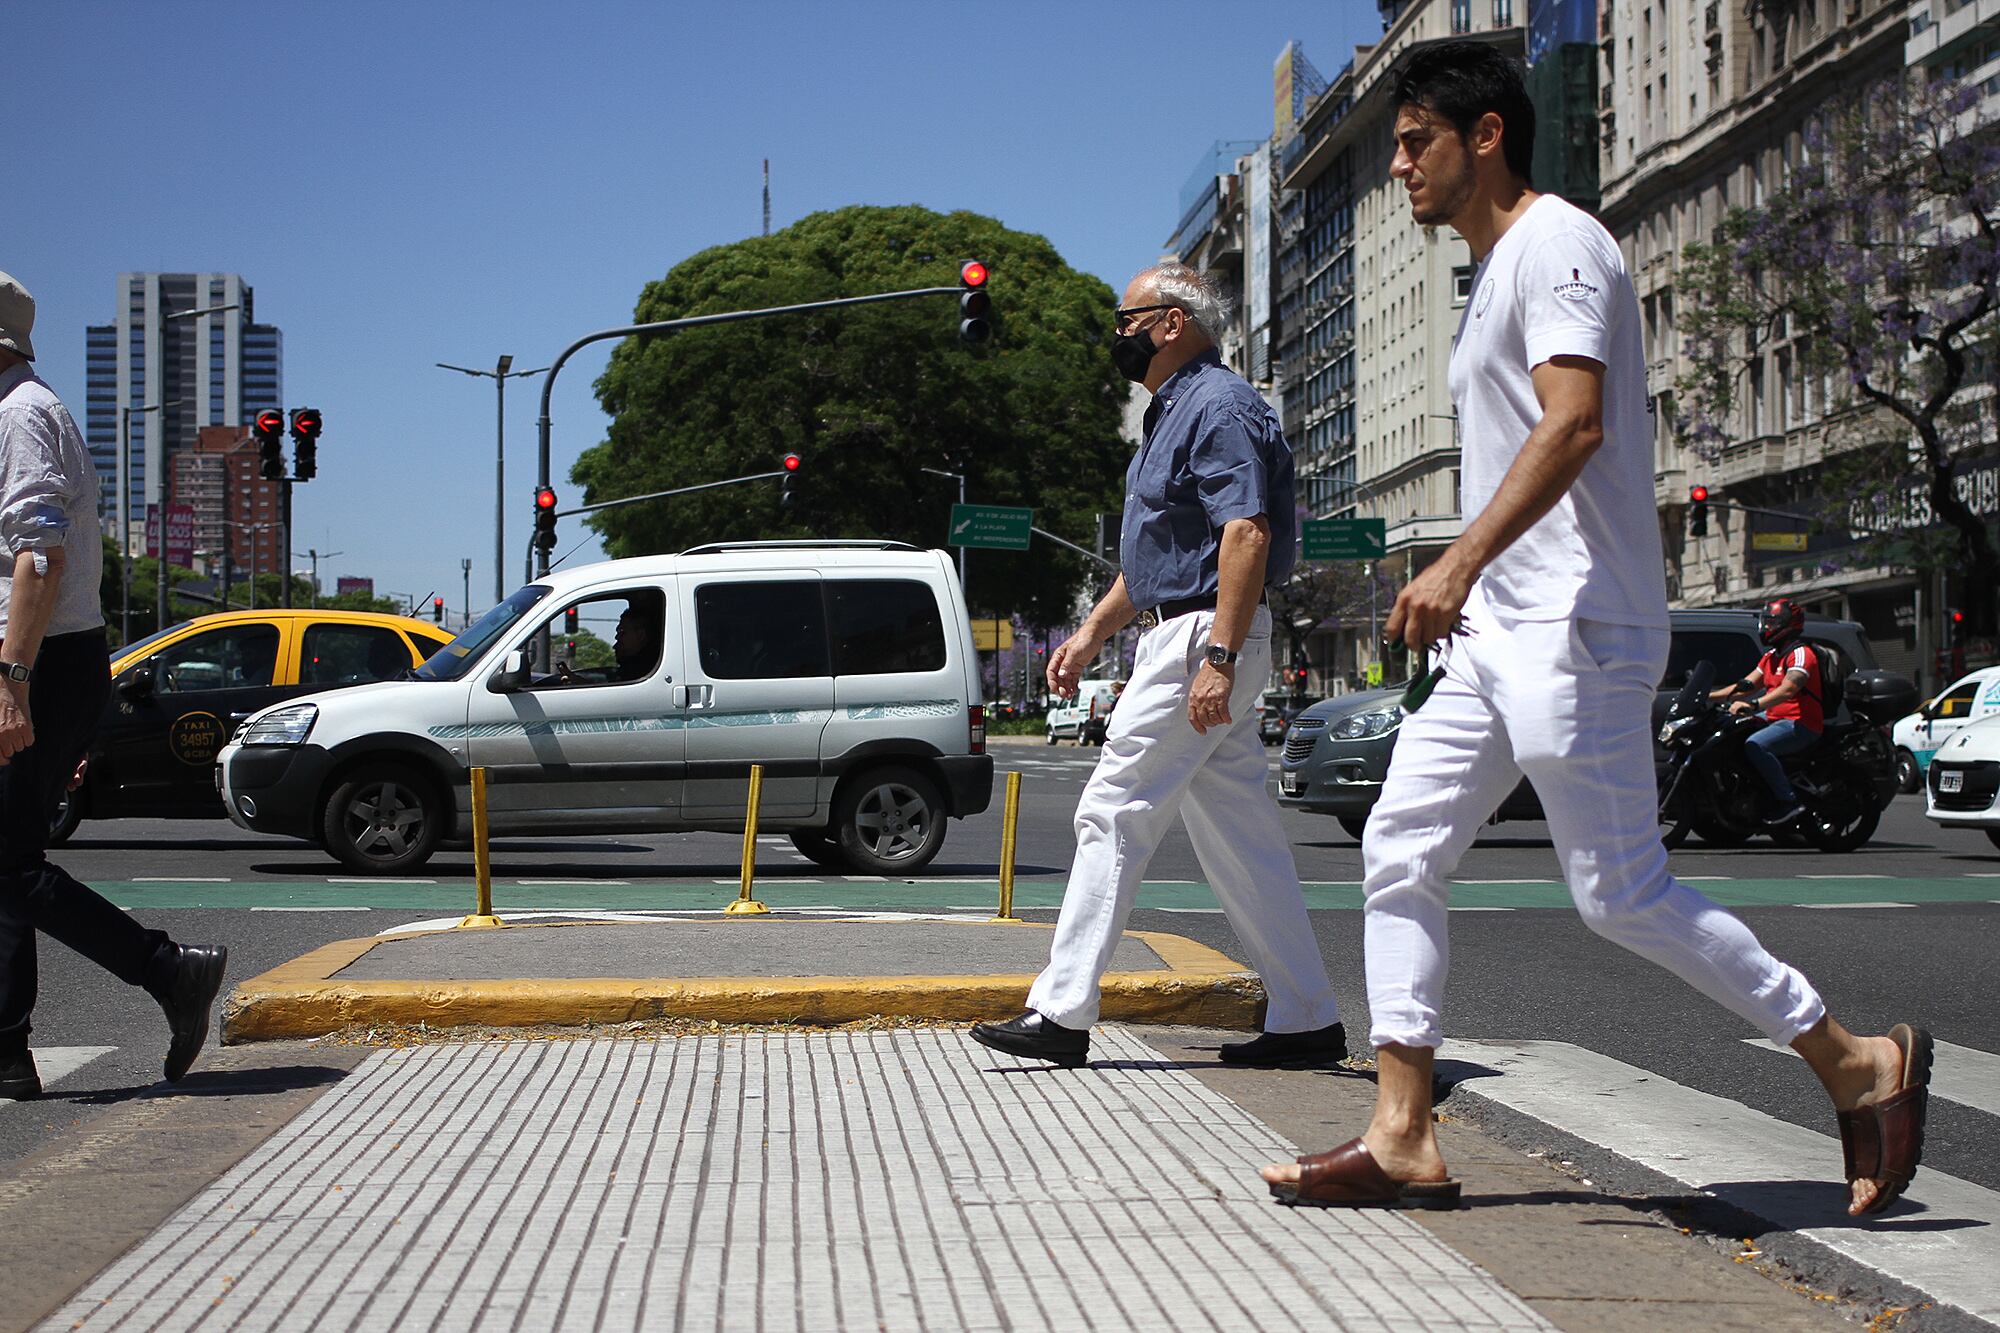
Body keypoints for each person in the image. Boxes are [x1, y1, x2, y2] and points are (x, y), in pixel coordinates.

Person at [1258, 46, 1930, 1218]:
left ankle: (1853, 1059)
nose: (1400, 164)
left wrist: (1457, 560)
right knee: (1398, 845)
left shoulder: (1559, 241)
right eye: (1397, 142)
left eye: (1415, 140)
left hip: (1574, 624)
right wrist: (1469, 579)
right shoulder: (1489, 276)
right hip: (1496, 637)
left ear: (1485, 137)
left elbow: (1570, 426)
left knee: (1616, 891)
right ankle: (1401, 1127)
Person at [970, 263, 1346, 1069]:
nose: (1117, 335)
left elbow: (1244, 534)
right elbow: (1157, 558)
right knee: (1241, 841)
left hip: (1204, 633)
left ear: (1170, 322)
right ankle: (1307, 1015)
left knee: (1112, 809)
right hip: (1192, 628)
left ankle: (1062, 1010)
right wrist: (1092, 633)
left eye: (1125, 319)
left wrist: (1219, 655)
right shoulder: (1176, 411)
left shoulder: (1217, 406)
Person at [0, 270, 227, 1100]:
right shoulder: (22, 411)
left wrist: (11, 680)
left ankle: (169, 971)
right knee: (9, 855)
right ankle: (8, 1049)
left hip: (40, 658)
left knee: (11, 864)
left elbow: (37, 556)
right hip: (45, 658)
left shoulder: (21, 416)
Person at [1708, 598, 1821, 824]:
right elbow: (1745, 686)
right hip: (1773, 718)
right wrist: (1706, 696)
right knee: (1728, 731)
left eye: (1772, 622)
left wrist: (1754, 706)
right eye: (1765, 622)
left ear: (1787, 624)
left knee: (1755, 744)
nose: (1766, 627)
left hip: (1800, 723)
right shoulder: (1770, 657)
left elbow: (1789, 689)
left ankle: (1788, 801)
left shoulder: (1800, 654)